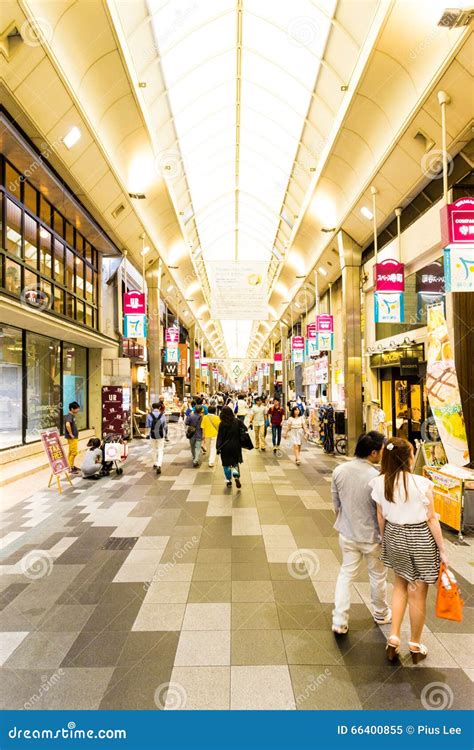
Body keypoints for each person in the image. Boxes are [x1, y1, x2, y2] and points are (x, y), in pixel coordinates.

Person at [370, 437, 448, 664]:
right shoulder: (422, 484)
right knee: (418, 592)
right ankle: (414, 644)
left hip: (394, 535)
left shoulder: (379, 482)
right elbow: (432, 519)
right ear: (409, 458)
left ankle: (393, 637)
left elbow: (380, 516)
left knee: (399, 585)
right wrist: (442, 550)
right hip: (420, 537)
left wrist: (386, 540)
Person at [331, 431, 391, 635]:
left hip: (347, 533)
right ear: (374, 453)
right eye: (382, 450)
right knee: (378, 576)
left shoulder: (339, 471)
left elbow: (336, 506)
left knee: (346, 575)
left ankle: (339, 620)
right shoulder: (377, 478)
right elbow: (382, 511)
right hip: (373, 537)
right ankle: (381, 613)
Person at [216, 406, 247, 488]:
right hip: (236, 446)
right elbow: (245, 428)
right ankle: (236, 475)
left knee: (226, 464)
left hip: (225, 447)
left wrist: (218, 447)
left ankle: (229, 481)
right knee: (235, 462)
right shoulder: (237, 421)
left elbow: (220, 436)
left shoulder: (222, 424)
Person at [146, 402, 167, 474]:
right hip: (160, 435)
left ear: (152, 407)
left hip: (152, 434)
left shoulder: (149, 415)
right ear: (159, 408)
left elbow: (148, 425)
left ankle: (155, 463)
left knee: (153, 449)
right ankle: (159, 465)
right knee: (160, 450)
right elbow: (164, 426)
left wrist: (148, 434)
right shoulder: (162, 415)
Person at [64, 401, 80, 474]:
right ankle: (70, 468)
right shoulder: (69, 416)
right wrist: (70, 434)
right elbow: (67, 424)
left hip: (74, 437)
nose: (78, 410)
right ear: (72, 409)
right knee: (74, 452)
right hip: (72, 438)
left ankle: (71, 466)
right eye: (77, 409)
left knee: (71, 452)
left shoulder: (71, 415)